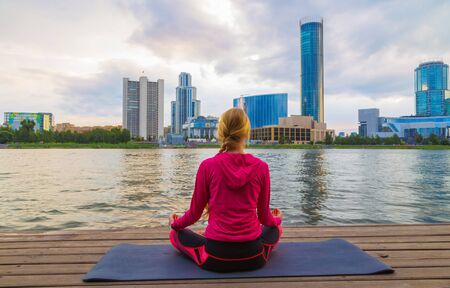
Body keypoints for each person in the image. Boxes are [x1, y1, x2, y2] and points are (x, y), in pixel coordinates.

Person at [169, 107, 282, 272]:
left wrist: (175, 223)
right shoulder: (261, 167)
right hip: (253, 257)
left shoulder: (207, 166)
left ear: (221, 132)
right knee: (276, 229)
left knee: (175, 234)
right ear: (246, 132)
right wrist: (277, 219)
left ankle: (205, 237)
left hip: (216, 258)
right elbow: (265, 218)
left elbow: (194, 215)